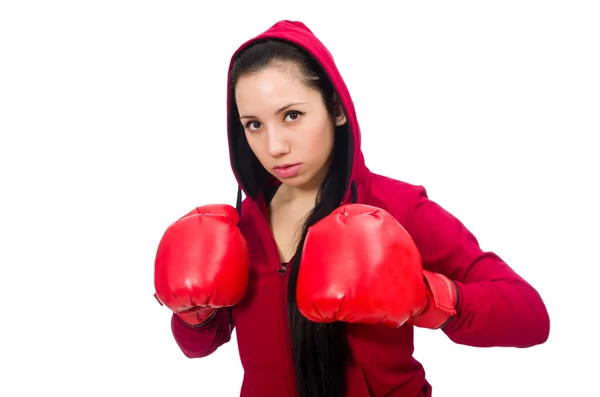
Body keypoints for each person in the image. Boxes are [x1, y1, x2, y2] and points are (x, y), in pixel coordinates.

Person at [153, 20, 550, 397]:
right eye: (253, 124)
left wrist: (429, 299)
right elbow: (197, 347)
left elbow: (530, 316)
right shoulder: (237, 228)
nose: (273, 146)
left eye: (292, 115)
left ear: (337, 109)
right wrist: (192, 314)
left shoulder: (397, 207)